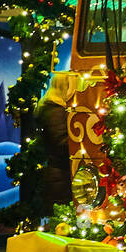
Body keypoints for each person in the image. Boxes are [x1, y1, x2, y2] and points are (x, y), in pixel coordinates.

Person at [36, 72, 73, 209]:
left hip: (56, 174)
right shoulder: (56, 111)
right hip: (60, 176)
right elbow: (61, 142)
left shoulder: (50, 107)